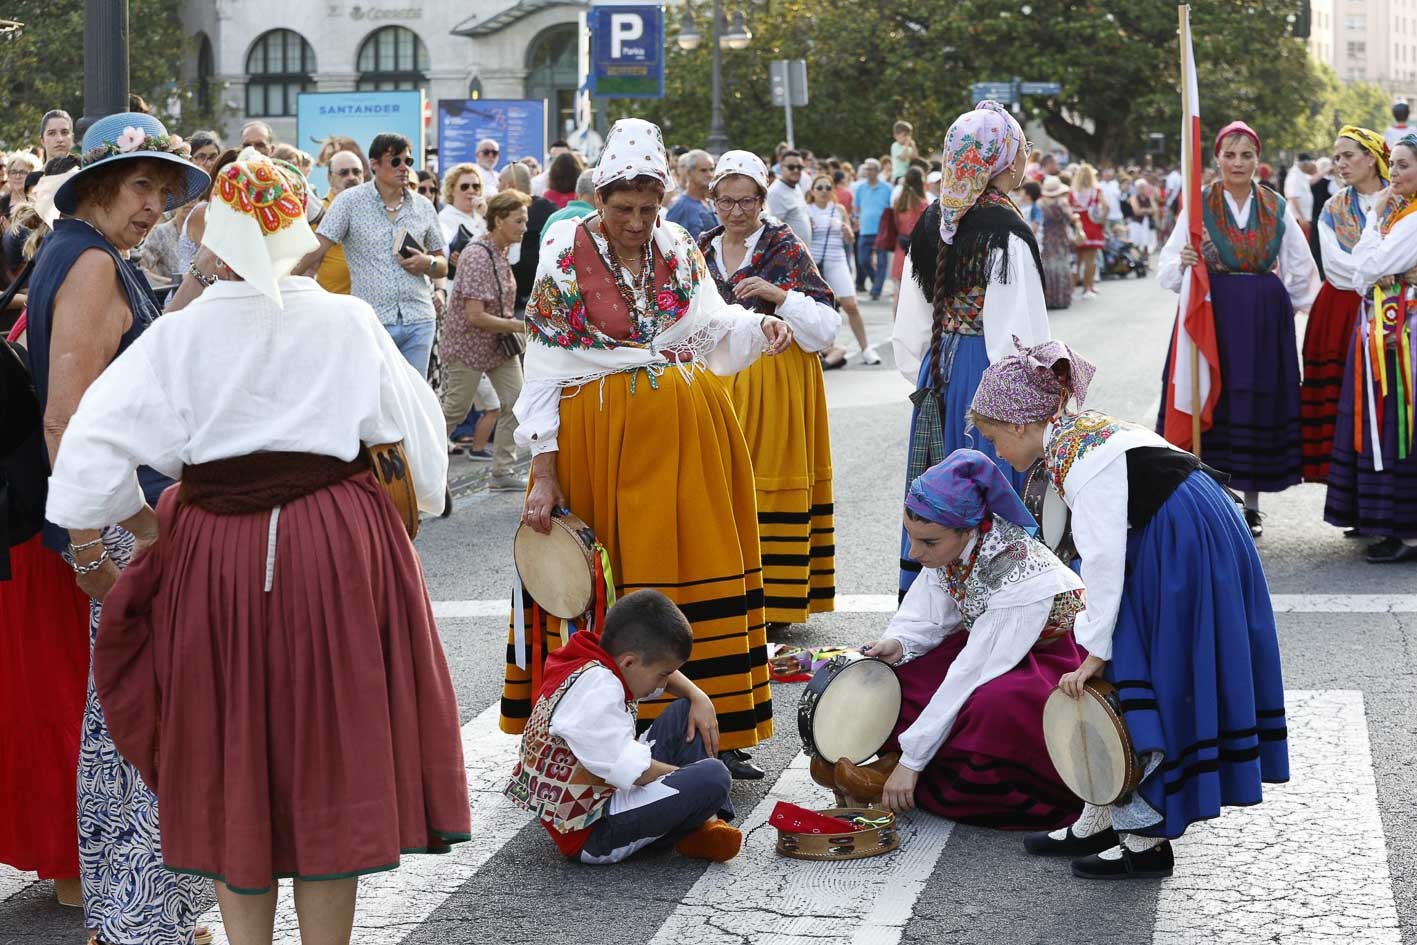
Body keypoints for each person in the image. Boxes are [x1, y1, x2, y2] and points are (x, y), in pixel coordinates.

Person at [46, 153, 469, 941]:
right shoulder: (348, 320)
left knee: (228, 748)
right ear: (298, 233)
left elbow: (91, 445)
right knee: (327, 754)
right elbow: (420, 447)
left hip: (216, 553)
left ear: (223, 242)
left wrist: (116, 537)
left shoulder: (183, 331)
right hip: (338, 544)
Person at [502, 119, 793, 783]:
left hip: (690, 439)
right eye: (622, 208)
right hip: (598, 447)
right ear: (599, 198)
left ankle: (722, 725)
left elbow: (709, 323)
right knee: (610, 582)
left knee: (704, 565)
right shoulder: (563, 253)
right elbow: (545, 362)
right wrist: (542, 473)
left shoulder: (680, 246)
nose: (636, 221)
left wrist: (759, 327)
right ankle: (599, 731)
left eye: (647, 207)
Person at [970, 339, 1289, 881]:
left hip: (1183, 539)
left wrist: (1095, 651)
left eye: (995, 438)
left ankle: (1145, 841)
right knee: (1137, 657)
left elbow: (1102, 560)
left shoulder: (1076, 459)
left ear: (1020, 425)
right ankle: (1101, 817)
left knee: (1145, 668)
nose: (997, 451)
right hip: (1189, 527)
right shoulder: (1074, 435)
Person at [26, 110, 211, 945]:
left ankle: (130, 918)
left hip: (116, 524)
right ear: (98, 183)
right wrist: (132, 530)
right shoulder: (92, 263)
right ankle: (142, 924)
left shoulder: (84, 254)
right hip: (124, 529)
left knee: (117, 732)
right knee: (138, 731)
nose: (155, 206)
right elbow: (68, 421)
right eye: (142, 185)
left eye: (164, 192)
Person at [813, 451, 1085, 828]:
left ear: (967, 528)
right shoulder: (956, 544)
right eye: (910, 537)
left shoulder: (1018, 575)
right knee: (901, 676)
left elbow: (973, 672)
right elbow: (929, 614)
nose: (915, 552)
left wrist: (913, 761)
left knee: (991, 708)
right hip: (991, 641)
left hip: (1049, 659)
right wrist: (900, 643)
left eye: (928, 542)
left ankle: (904, 778)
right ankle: (886, 766)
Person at [890, 100, 1050, 599]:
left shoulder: (934, 219)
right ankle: (996, 601)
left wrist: (930, 374)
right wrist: (1035, 398)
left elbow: (909, 328)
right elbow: (1020, 335)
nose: (1024, 159)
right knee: (991, 484)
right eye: (1020, 149)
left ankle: (932, 606)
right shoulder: (1004, 232)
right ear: (1003, 159)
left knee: (941, 488)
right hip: (990, 377)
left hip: (938, 371)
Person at [1156, 120, 1320, 536]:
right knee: (1217, 396)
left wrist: (1289, 306)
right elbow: (1168, 269)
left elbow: (1300, 267)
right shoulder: (1199, 205)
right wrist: (1186, 263)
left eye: (1246, 155)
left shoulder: (1275, 206)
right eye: (1229, 155)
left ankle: (1251, 503)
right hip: (1212, 313)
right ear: (1216, 159)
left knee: (1256, 400)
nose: (1238, 163)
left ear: (1258, 161)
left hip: (1263, 318)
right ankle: (1212, 498)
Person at [699, 151, 840, 629]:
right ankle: (724, 585)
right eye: (726, 201)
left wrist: (781, 296)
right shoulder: (700, 249)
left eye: (747, 201)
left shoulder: (784, 246)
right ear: (711, 199)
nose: (736, 212)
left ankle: (774, 600)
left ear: (763, 199)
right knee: (717, 485)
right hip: (716, 382)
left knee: (769, 484)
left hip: (777, 382)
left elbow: (825, 328)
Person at [506, 590, 741, 864]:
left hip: (605, 792)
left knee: (686, 711)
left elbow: (662, 676)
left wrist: (697, 695)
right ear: (629, 662)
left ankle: (705, 824)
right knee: (713, 777)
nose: (662, 683)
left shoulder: (600, 660)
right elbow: (635, 772)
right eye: (661, 675)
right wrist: (686, 779)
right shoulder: (597, 692)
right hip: (592, 830)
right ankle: (701, 820)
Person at [1329, 133, 1417, 563]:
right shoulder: (1406, 215)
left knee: (1396, 425)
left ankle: (1405, 529)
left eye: (1404, 165)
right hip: (1394, 329)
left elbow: (1366, 270)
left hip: (1403, 336)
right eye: (1394, 164)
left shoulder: (1410, 218)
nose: (1396, 173)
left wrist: (1372, 220)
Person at [297, 133, 450, 377]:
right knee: (376, 398)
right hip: (372, 320)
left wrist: (427, 263)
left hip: (419, 319)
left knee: (414, 402)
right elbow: (317, 248)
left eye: (407, 162)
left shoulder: (423, 205)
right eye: (395, 161)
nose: (403, 168)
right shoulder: (349, 202)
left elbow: (442, 265)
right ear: (374, 164)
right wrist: (281, 279)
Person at [1301, 127, 1387, 485]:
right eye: (1336, 157)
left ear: (1371, 157)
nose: (1340, 164)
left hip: (1391, 308)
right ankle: (1353, 498)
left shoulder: (1402, 201)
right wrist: (1381, 273)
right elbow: (1335, 266)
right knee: (1346, 405)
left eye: (1348, 155)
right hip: (1343, 309)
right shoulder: (1333, 208)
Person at [439, 189, 530, 493]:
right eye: (519, 221)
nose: (524, 227)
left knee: (516, 402)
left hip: (496, 345)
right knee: (455, 410)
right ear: (499, 220)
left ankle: (502, 471)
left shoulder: (501, 251)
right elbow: (475, 316)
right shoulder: (478, 254)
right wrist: (519, 325)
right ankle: (415, 467)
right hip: (468, 346)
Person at [807, 171, 876, 364]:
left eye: (828, 187)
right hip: (814, 263)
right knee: (817, 309)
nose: (824, 191)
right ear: (812, 191)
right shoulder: (807, 210)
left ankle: (866, 349)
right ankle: (821, 350)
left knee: (851, 305)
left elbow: (851, 240)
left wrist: (848, 232)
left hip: (837, 259)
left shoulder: (838, 210)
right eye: (819, 187)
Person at [313, 149, 365, 295]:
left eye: (356, 172)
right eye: (344, 173)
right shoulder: (317, 213)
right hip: (331, 304)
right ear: (329, 178)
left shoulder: (378, 211)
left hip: (370, 306)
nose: (351, 177)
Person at [852, 159, 892, 298]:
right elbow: (856, 207)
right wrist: (856, 219)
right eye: (866, 169)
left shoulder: (887, 188)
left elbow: (891, 208)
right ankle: (876, 282)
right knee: (863, 260)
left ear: (877, 171)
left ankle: (876, 291)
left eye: (870, 169)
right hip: (865, 230)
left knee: (881, 262)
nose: (867, 172)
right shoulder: (860, 188)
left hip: (882, 231)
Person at [1037, 176, 1077, 309]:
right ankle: (1061, 298)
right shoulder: (1062, 202)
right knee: (1061, 266)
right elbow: (1069, 218)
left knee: (1047, 267)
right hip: (1059, 236)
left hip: (1046, 237)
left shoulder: (1040, 203)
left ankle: (1048, 299)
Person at [1069, 163, 1107, 299]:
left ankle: (1071, 290)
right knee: (1090, 260)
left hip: (1078, 226)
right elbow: (1105, 206)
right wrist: (1103, 219)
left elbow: (1069, 209)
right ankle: (1087, 288)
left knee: (1076, 261)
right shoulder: (1096, 190)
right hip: (1092, 226)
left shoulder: (1072, 191)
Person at [666, 149, 718, 240]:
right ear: (689, 172)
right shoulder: (680, 206)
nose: (709, 174)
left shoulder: (712, 204)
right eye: (703, 170)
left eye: (712, 169)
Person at [890, 167, 929, 288]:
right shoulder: (923, 204)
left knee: (899, 289)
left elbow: (895, 224)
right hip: (918, 248)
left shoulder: (898, 202)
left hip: (901, 246)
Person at [766, 149, 812, 243]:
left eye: (799, 167)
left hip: (800, 252)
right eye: (791, 167)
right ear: (782, 167)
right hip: (787, 253)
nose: (796, 170)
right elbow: (771, 229)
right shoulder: (775, 192)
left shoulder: (796, 186)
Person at [437, 162, 487, 247]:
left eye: (476, 186)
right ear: (452, 190)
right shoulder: (445, 218)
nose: (471, 191)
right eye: (465, 186)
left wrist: (485, 216)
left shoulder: (482, 215)